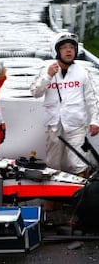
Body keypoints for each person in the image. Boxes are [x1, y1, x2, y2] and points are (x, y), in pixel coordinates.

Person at [30, 32, 99, 177]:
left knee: (79, 164)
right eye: (64, 47)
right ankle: (53, 199)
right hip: (54, 125)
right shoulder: (46, 70)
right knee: (52, 165)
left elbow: (92, 99)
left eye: (72, 47)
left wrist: (95, 121)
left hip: (76, 126)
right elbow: (35, 92)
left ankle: (81, 197)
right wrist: (48, 76)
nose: (69, 50)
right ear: (56, 50)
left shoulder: (83, 72)